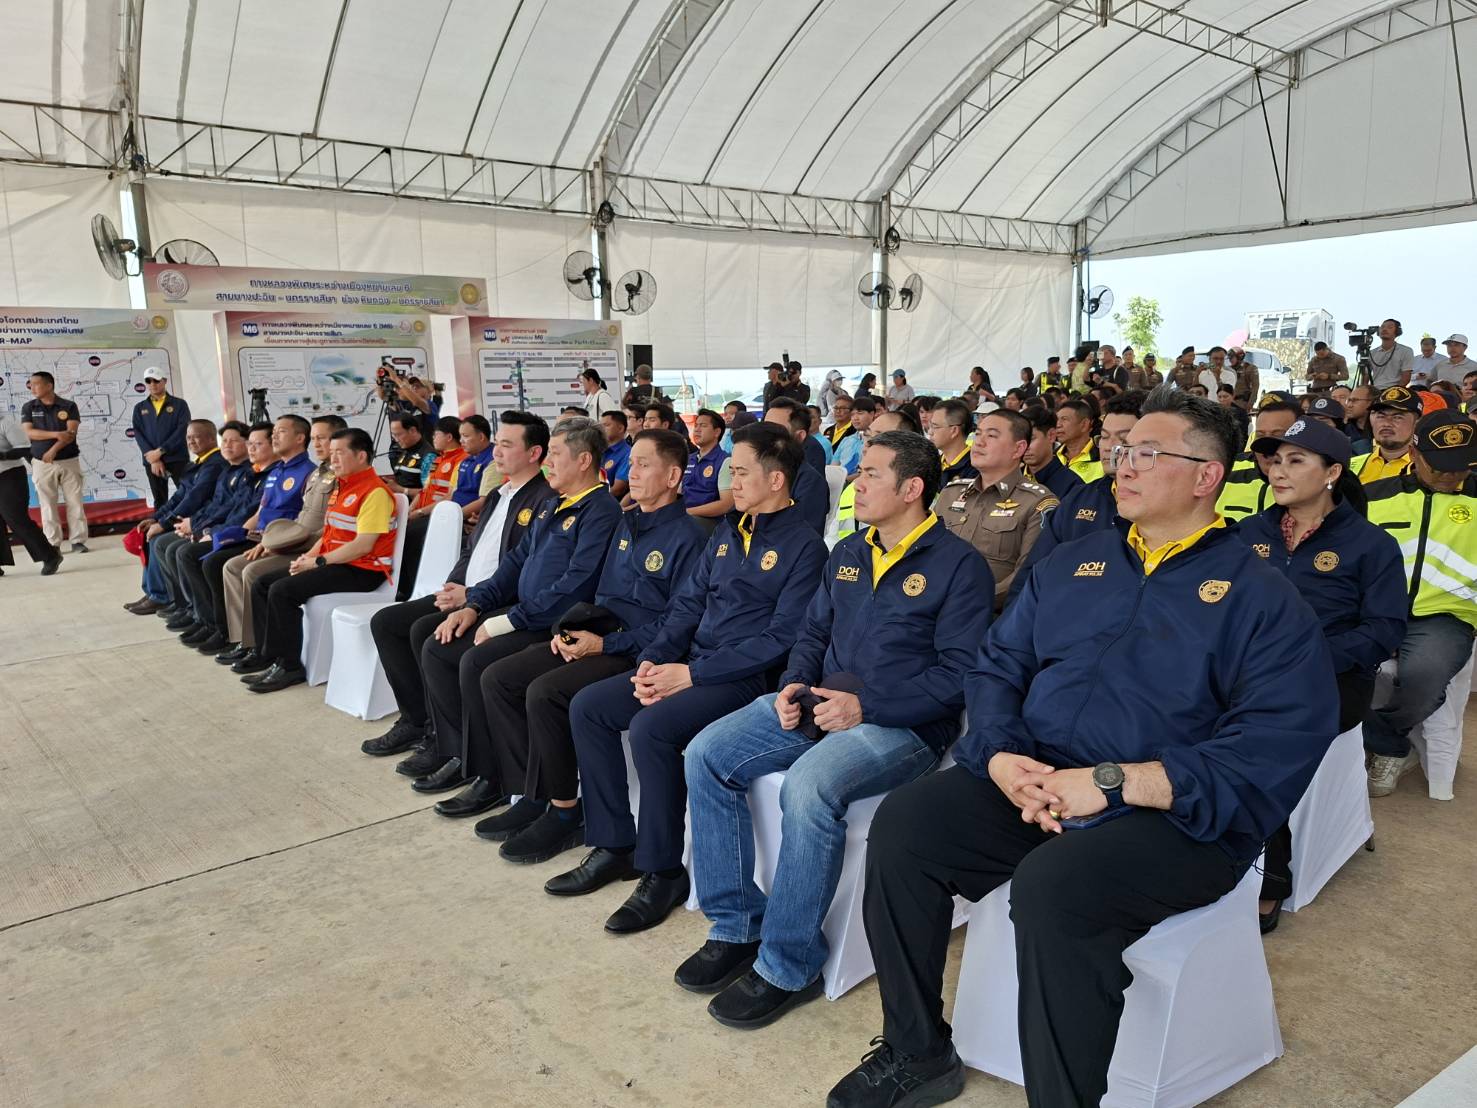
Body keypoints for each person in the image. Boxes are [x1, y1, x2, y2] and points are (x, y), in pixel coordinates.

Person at [830, 387, 1337, 1108]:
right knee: (907, 826)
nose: (1122, 465)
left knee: (1055, 887)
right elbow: (997, 667)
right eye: (1122, 450)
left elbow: (1274, 744)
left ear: (1206, 476)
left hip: (1175, 815)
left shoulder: (1261, 596)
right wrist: (999, 756)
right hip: (1038, 777)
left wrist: (1113, 782)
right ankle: (916, 1049)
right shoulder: (1075, 563)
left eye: (1148, 453)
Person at [673, 430, 990, 1028]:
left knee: (808, 787)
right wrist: (794, 684)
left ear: (912, 489)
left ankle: (787, 964)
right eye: (859, 472)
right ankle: (737, 925)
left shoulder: (959, 567)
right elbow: (813, 632)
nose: (856, 484)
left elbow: (959, 676)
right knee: (706, 753)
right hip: (818, 703)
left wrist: (865, 707)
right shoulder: (848, 550)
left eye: (870, 474)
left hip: (904, 727)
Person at [554, 421, 830, 929]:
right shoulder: (728, 532)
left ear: (775, 480)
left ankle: (662, 871)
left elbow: (781, 639)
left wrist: (692, 674)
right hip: (693, 665)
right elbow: (686, 606)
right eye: (732, 471)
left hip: (745, 680)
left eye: (741, 472)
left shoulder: (806, 547)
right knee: (590, 707)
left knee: (651, 729)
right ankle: (614, 843)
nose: (731, 482)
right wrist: (653, 660)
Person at [437, 430, 708, 842]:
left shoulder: (691, 538)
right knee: (499, 676)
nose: (632, 473)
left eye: (643, 465)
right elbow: (601, 595)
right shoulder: (627, 523)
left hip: (636, 650)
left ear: (673, 477)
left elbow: (676, 622)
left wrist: (605, 644)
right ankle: (531, 794)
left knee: (547, 692)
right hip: (601, 635)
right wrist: (572, 630)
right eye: (631, 463)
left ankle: (565, 811)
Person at [1236, 418, 1406, 931]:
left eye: (1295, 461)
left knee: (1262, 740)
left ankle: (1270, 877)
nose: (1278, 471)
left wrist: (1307, 657)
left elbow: (1384, 629)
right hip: (1246, 672)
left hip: (1331, 681)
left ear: (1332, 472)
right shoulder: (1247, 533)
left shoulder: (1371, 545)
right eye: (1274, 460)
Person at [406, 418, 622, 790]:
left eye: (555, 454)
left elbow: (575, 587)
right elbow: (514, 563)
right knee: (439, 645)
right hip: (527, 612)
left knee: (478, 663)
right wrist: (474, 605)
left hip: (555, 623)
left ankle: (501, 779)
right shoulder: (552, 504)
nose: (548, 463)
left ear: (584, 460)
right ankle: (463, 755)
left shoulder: (600, 511)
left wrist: (507, 620)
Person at [362, 412, 552, 771]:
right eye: (497, 443)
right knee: (387, 623)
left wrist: (472, 595)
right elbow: (471, 549)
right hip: (466, 592)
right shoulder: (498, 494)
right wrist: (453, 584)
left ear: (534, 453)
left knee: (428, 635)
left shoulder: (544, 500)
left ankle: (448, 743)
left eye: (507, 445)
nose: (497, 452)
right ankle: (417, 721)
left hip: (497, 600)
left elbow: (523, 568)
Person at [1363, 409, 1477, 801]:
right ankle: (1374, 741)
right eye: (1440, 467)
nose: (1451, 476)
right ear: (1414, 453)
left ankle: (1386, 743)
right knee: (1324, 662)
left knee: (1424, 676)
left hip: (1445, 616)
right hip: (1375, 609)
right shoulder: (1374, 497)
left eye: (1461, 466)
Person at [244, 428, 400, 693]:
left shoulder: (374, 492)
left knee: (283, 591)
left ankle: (290, 667)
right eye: (332, 452)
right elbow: (330, 534)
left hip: (363, 570)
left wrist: (318, 563)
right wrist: (308, 557)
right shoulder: (342, 486)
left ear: (361, 456)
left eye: (340, 453)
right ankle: (268, 656)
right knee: (262, 583)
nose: (332, 458)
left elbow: (363, 545)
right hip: (337, 563)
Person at [215, 415, 336, 672]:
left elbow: (325, 529)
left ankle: (264, 648)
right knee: (232, 566)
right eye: (315, 438)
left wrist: (277, 544)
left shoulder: (322, 475)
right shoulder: (317, 474)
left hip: (306, 546)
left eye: (322, 438)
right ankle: (247, 641)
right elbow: (296, 517)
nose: (317, 443)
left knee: (252, 572)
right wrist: (269, 540)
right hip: (289, 540)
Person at [1007, 391, 1143, 603]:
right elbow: (1033, 572)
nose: (1109, 447)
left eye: (1123, 439)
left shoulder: (1162, 506)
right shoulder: (1079, 498)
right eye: (1104, 436)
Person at [937, 410, 1057, 609]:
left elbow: (1027, 575)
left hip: (990, 614)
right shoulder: (951, 493)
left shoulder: (1037, 502)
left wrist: (964, 602)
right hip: (931, 609)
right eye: (977, 434)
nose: (979, 442)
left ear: (1018, 449)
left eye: (991, 436)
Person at [173, 422, 276, 653]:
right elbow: (226, 508)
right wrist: (202, 529)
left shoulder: (271, 475)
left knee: (202, 558)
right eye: (250, 444)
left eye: (257, 444)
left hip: (260, 538)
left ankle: (222, 629)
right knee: (178, 549)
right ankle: (202, 618)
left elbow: (248, 514)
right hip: (237, 531)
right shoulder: (250, 473)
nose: (251, 449)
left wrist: (212, 533)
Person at [121, 421, 227, 616]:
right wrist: (156, 518)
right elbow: (178, 497)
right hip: (187, 518)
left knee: (159, 541)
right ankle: (154, 592)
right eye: (188, 438)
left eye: (196, 437)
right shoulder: (197, 464)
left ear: (211, 439)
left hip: (199, 520)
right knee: (150, 534)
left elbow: (194, 499)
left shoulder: (215, 464)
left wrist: (164, 524)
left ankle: (163, 597)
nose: (191, 442)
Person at [20, 371, 88, 553]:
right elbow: (29, 432)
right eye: (30, 384)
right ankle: (53, 543)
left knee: (75, 502)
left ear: (49, 385)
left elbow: (70, 433)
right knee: (47, 504)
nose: (32, 388)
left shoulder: (68, 406)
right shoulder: (29, 407)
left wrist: (53, 449)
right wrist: (56, 434)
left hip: (69, 461)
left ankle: (78, 541)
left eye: (36, 384)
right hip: (42, 463)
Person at [1215, 397, 1300, 521]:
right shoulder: (1226, 469)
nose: (1266, 444)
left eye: (1278, 435)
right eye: (1260, 435)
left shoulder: (1314, 482)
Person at [0, 413, 62, 576]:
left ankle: (50, 556)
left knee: (16, 518)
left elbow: (25, 448)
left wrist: (3, 455)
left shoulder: (5, 423)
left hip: (9, 475)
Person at [131, 369, 192, 510]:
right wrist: (154, 459)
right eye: (148, 381)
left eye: (156, 380)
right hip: (152, 461)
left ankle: (189, 523)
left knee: (187, 496)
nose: (152, 384)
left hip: (177, 458)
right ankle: (160, 524)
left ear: (164, 381)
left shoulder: (179, 404)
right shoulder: (139, 408)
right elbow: (138, 433)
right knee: (159, 500)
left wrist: (161, 451)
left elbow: (182, 430)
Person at [1355, 385, 1420, 483]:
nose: (1386, 423)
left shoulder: (1426, 471)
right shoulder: (1352, 465)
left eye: (1397, 417)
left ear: (1417, 423)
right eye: (1381, 416)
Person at [409, 416, 466, 520]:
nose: (433, 438)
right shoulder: (437, 460)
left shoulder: (462, 460)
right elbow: (424, 489)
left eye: (436, 434)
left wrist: (420, 512)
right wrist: (410, 509)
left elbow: (452, 495)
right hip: (423, 514)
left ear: (449, 437)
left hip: (440, 516)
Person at [1020, 405, 1081, 500]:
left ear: (1051, 435)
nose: (1024, 447)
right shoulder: (1012, 478)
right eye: (1020, 440)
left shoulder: (1072, 486)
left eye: (1031, 439)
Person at [683, 409, 730, 518]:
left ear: (717, 432)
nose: (697, 430)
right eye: (696, 425)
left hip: (708, 520)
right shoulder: (689, 459)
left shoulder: (725, 461)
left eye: (703, 426)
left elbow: (726, 504)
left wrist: (687, 513)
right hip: (684, 517)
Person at [451, 416, 495, 519]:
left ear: (481, 437)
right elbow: (452, 494)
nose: (461, 440)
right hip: (455, 515)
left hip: (466, 520)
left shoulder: (493, 460)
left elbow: (484, 501)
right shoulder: (465, 461)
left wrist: (453, 518)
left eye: (465, 436)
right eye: (460, 436)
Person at [383, 413, 431, 498]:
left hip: (415, 505)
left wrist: (401, 489)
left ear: (412, 430)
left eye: (398, 435)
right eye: (393, 435)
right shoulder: (404, 450)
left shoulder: (429, 456)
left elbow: (430, 493)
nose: (396, 439)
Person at [928, 398, 976, 485]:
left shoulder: (974, 469)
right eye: (930, 426)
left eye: (935, 427)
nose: (930, 432)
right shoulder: (932, 463)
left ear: (954, 431)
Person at [1054, 397, 1102, 482]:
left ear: (1084, 424)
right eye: (1057, 420)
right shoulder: (1052, 458)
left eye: (1064, 419)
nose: (1058, 425)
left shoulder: (1102, 458)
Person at [1368, 319, 1413, 390]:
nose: (1384, 329)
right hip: (1375, 390)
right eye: (1382, 327)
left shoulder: (1406, 351)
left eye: (1390, 327)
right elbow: (1365, 377)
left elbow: (1406, 377)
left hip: (1394, 391)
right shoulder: (1371, 353)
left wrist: (1394, 392)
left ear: (1397, 331)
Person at [834, 397, 872, 477]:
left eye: (860, 413)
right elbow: (833, 467)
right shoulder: (846, 440)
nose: (855, 418)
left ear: (872, 414)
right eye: (852, 414)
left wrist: (846, 480)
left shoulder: (878, 441)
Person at [600, 410, 632, 501]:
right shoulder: (598, 449)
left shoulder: (628, 453)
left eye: (606, 425)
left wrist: (593, 499)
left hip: (609, 503)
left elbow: (618, 489)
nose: (601, 429)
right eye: (600, 426)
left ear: (620, 428)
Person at [1344, 384, 1375, 454]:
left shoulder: (1381, 430)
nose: (1349, 405)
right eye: (1349, 400)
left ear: (1371, 402)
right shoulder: (1343, 430)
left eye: (1355, 400)